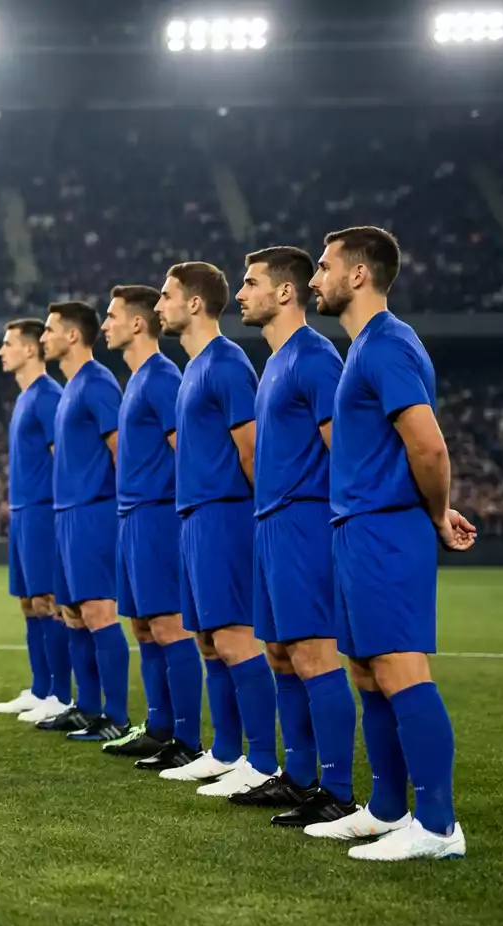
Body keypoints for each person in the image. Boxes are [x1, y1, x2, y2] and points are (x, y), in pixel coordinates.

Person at [308, 225, 474, 860]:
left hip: (385, 528)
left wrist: (435, 514)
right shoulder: (364, 349)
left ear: (357, 275)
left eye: (324, 267)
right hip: (358, 526)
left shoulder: (386, 346)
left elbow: (428, 445)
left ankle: (437, 826)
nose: (317, 278)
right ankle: (385, 810)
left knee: (402, 669)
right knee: (368, 672)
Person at [235, 246, 358, 823]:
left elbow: (345, 448)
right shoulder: (276, 362)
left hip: (305, 521)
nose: (241, 293)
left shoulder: (314, 357)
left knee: (312, 654)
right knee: (281, 654)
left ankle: (335, 792)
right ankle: (300, 775)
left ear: (285, 292)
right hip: (271, 522)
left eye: (251, 281)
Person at [155, 262, 281, 797]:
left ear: (196, 303)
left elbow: (251, 448)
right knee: (208, 639)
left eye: (167, 295)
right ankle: (226, 751)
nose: (160, 305)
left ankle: (262, 759)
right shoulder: (193, 369)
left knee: (233, 637)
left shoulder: (227, 364)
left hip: (225, 513)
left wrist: (254, 518)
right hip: (195, 514)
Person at [99, 285, 205, 766]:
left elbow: (187, 448)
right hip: (133, 514)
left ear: (137, 324)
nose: (106, 324)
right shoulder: (138, 379)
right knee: (143, 625)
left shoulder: (162, 377)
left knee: (167, 625)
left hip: (158, 513)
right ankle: (160, 726)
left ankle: (184, 739)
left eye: (113, 315)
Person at [37, 300, 129, 742]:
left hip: (94, 512)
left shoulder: (96, 383)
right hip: (67, 514)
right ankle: (87, 706)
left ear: (73, 335)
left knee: (98, 611)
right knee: (72, 612)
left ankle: (115, 715)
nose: (43, 337)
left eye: (50, 329)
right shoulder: (70, 386)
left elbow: (120, 449)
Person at [0, 318, 73, 724]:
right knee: (28, 603)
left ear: (28, 349)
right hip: (23, 512)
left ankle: (60, 693)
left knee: (48, 602)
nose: (1, 351)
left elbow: (64, 458)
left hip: (43, 511)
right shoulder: (25, 398)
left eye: (8, 344)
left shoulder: (47, 396)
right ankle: (41, 687)